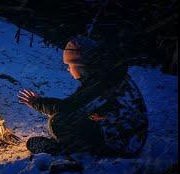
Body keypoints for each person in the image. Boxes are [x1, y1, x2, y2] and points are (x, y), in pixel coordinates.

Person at [18, 36, 148, 157]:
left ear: (80, 65)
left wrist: (36, 102)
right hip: (131, 135)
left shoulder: (101, 83)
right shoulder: (107, 75)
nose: (68, 69)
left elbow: (66, 107)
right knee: (78, 117)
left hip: (124, 143)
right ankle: (74, 144)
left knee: (59, 121)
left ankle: (64, 149)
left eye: (70, 65)